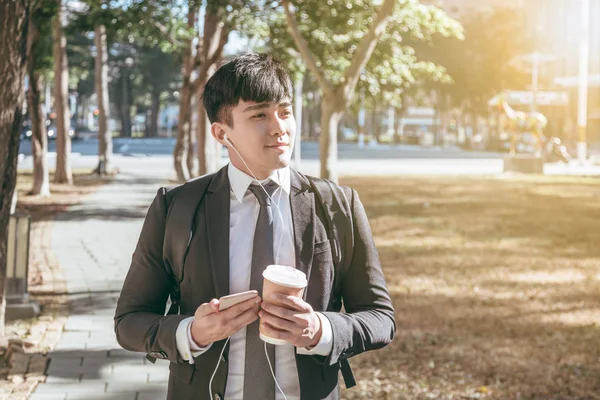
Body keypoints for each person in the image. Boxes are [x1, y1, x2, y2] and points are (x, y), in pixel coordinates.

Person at [114, 53, 395, 400]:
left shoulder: (338, 205)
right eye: (260, 114)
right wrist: (192, 332)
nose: (280, 127)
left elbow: (380, 317)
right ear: (222, 133)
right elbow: (129, 322)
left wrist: (320, 329)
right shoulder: (177, 207)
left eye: (285, 111)